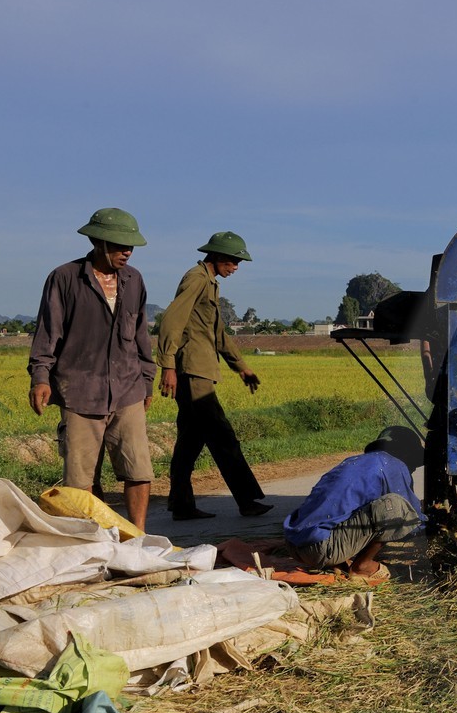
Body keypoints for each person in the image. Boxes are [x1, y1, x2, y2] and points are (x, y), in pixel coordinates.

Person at [28, 208, 157, 531]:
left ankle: (138, 535)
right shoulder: (65, 278)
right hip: (79, 391)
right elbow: (48, 333)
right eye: (119, 245)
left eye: (131, 247)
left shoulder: (134, 280)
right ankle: (94, 539)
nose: (126, 252)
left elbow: (141, 335)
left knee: (139, 469)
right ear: (98, 242)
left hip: (127, 388)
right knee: (81, 478)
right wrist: (40, 378)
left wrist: (147, 381)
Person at [154, 231, 271, 521]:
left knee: (190, 441)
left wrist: (241, 365)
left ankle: (181, 505)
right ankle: (247, 501)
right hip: (193, 371)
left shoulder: (210, 283)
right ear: (218, 257)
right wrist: (167, 365)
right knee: (222, 434)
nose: (236, 267)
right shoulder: (196, 278)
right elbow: (171, 319)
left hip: (200, 368)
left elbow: (217, 333)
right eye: (233, 261)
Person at [283, 425, 426, 584]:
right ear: (405, 453)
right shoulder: (393, 464)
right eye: (413, 463)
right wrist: (437, 526)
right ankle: (362, 566)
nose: (412, 469)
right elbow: (412, 520)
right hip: (320, 548)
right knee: (397, 506)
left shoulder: (354, 461)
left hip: (295, 544)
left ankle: (339, 562)